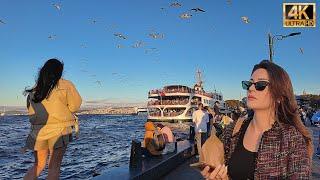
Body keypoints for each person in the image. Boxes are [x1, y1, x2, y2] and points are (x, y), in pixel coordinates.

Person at [201, 60, 312, 179]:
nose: (251, 89)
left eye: (260, 85)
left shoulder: (292, 139)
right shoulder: (233, 130)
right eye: (249, 84)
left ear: (279, 96)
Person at [23, 59, 82, 179]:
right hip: (59, 131)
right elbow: (75, 106)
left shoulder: (33, 91)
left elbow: (31, 111)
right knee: (54, 167)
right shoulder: (65, 85)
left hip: (38, 132)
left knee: (38, 165)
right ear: (59, 71)